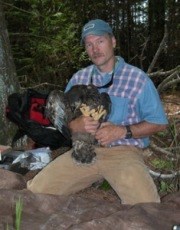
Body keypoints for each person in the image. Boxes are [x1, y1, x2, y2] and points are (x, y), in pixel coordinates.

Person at [27, 19, 168, 204]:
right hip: (82, 150)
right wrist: (74, 125)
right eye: (89, 44)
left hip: (123, 153)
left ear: (113, 42)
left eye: (100, 41)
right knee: (36, 191)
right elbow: (65, 119)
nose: (95, 49)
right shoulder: (79, 78)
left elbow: (159, 123)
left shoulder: (137, 79)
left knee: (147, 206)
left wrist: (123, 131)